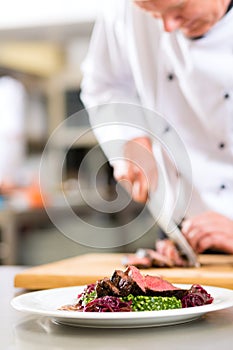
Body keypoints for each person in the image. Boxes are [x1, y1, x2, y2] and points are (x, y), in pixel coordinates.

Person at [80, 0, 233, 255]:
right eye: (152, 15)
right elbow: (104, 85)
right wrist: (128, 136)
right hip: (184, 228)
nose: (167, 27)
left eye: (179, 8)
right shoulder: (123, 8)